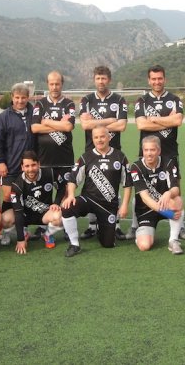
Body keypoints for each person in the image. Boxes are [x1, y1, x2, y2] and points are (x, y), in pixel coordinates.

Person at [134, 64, 185, 240]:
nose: (157, 82)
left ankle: (180, 225)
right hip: (147, 152)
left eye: (160, 78)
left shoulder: (175, 99)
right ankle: (136, 224)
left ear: (165, 79)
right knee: (142, 189)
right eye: (154, 79)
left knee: (175, 188)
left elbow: (178, 121)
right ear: (149, 80)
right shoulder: (142, 101)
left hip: (170, 152)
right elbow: (141, 124)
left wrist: (154, 119)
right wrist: (167, 120)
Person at [61, 127, 132, 257]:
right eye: (96, 137)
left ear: (109, 137)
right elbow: (73, 179)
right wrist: (70, 195)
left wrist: (124, 205)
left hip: (108, 205)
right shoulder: (86, 157)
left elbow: (127, 184)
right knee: (67, 208)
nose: (99, 140)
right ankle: (74, 244)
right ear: (92, 139)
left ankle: (101, 227)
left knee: (108, 244)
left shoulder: (120, 157)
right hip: (88, 199)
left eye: (102, 136)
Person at [79, 65, 128, 240]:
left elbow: (122, 125)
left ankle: (116, 225)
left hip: (114, 151)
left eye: (104, 78)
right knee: (92, 188)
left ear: (109, 80)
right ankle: (92, 226)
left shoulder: (119, 100)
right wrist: (109, 120)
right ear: (94, 80)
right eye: (98, 78)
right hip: (91, 152)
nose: (101, 81)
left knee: (113, 188)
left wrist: (95, 123)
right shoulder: (86, 100)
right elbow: (84, 125)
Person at [31, 71, 75, 240]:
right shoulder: (40, 104)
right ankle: (43, 225)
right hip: (44, 160)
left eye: (57, 84)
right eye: (51, 84)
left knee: (65, 193)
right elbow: (35, 128)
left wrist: (47, 122)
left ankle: (65, 224)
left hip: (65, 159)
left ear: (61, 84)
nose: (54, 87)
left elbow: (68, 127)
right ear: (47, 84)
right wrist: (59, 124)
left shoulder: (69, 104)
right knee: (44, 193)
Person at [0, 83, 35, 245]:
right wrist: (0, 162)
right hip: (10, 165)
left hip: (30, 166)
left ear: (28, 97)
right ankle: (7, 231)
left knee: (29, 197)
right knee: (9, 197)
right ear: (12, 97)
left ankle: (25, 229)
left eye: (23, 97)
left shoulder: (34, 113)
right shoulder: (4, 117)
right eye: (17, 97)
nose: (20, 101)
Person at [129, 135, 185, 254]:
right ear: (142, 151)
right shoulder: (136, 167)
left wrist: (168, 193)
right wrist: (167, 212)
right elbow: (145, 198)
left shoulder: (169, 163)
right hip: (146, 210)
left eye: (152, 150)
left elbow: (175, 188)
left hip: (165, 203)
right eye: (146, 150)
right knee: (144, 246)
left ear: (159, 151)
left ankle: (173, 240)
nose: (149, 153)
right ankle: (139, 232)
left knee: (177, 201)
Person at [3, 150, 66, 254]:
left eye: (33, 165)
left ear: (39, 164)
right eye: (27, 166)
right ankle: (24, 234)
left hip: (45, 214)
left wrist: (56, 202)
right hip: (25, 216)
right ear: (22, 167)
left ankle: (47, 234)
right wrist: (20, 239)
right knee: (5, 219)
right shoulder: (17, 185)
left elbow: (62, 187)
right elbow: (18, 213)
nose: (30, 169)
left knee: (60, 217)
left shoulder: (50, 173)